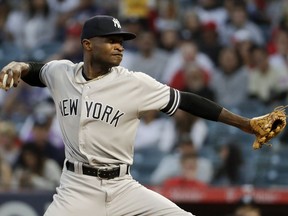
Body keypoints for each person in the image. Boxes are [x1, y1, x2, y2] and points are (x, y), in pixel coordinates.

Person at [0, 15, 267, 216]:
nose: (120, 47)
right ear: (88, 44)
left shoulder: (135, 83)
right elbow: (36, 71)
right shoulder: (62, 72)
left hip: (123, 187)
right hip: (76, 188)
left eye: (122, 41)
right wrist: (19, 65)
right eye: (112, 40)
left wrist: (245, 124)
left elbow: (187, 101)